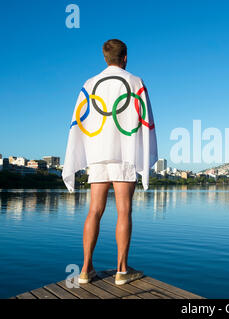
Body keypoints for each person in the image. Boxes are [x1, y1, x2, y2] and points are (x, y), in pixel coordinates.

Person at [62, 39, 158, 285]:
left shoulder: (89, 84)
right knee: (124, 210)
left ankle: (85, 270)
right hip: (124, 154)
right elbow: (145, 121)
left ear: (105, 58)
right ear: (125, 57)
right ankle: (122, 271)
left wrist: (82, 152)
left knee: (94, 210)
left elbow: (78, 121)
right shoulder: (136, 82)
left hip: (97, 155)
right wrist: (143, 154)